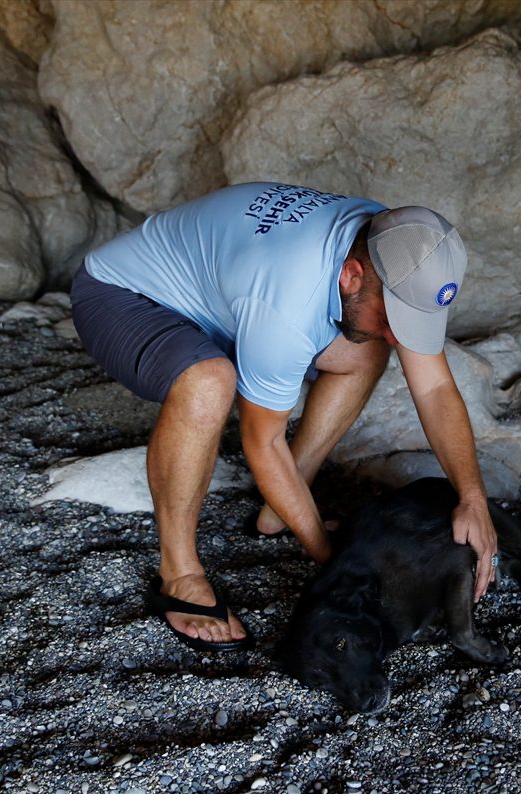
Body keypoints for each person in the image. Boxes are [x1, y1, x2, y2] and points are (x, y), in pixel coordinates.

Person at [70, 182, 497, 651]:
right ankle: (179, 573)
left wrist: (472, 495)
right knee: (209, 382)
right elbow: (262, 441)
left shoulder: (401, 245)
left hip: (228, 298)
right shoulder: (287, 300)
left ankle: (283, 507)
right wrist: (332, 560)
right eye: (392, 316)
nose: (400, 337)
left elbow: (435, 387)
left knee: (364, 347)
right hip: (123, 296)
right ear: (351, 276)